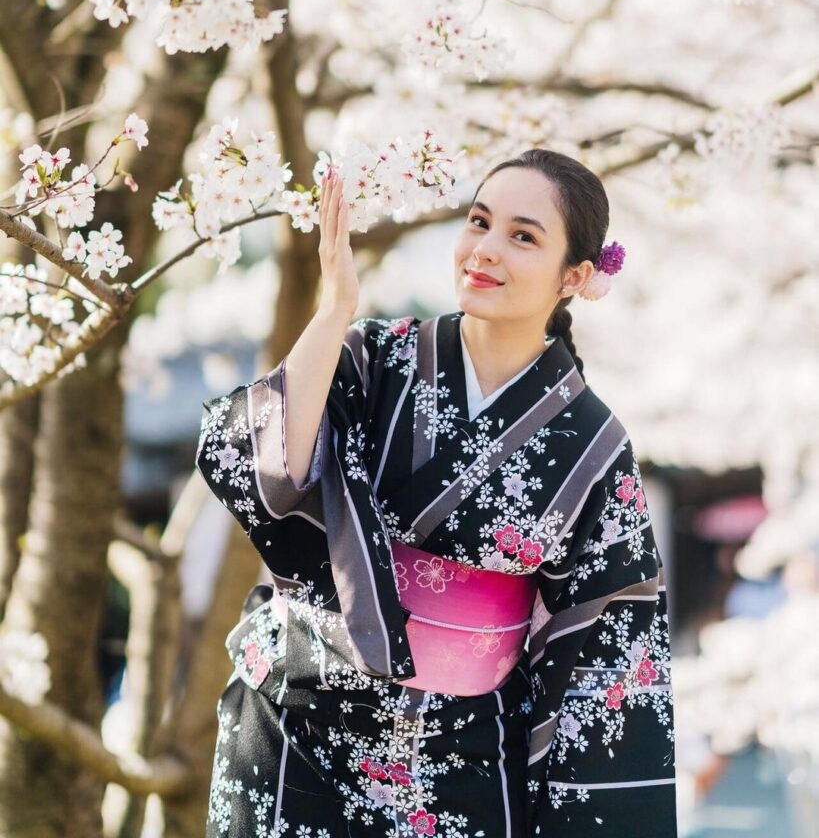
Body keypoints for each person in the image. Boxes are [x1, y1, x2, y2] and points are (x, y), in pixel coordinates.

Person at [196, 149, 677, 838]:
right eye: (478, 221)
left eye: (521, 235)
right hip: (298, 721)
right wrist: (333, 312)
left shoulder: (592, 442)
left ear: (574, 276)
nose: (484, 249)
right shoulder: (372, 357)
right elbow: (262, 471)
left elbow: (606, 645)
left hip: (458, 755)